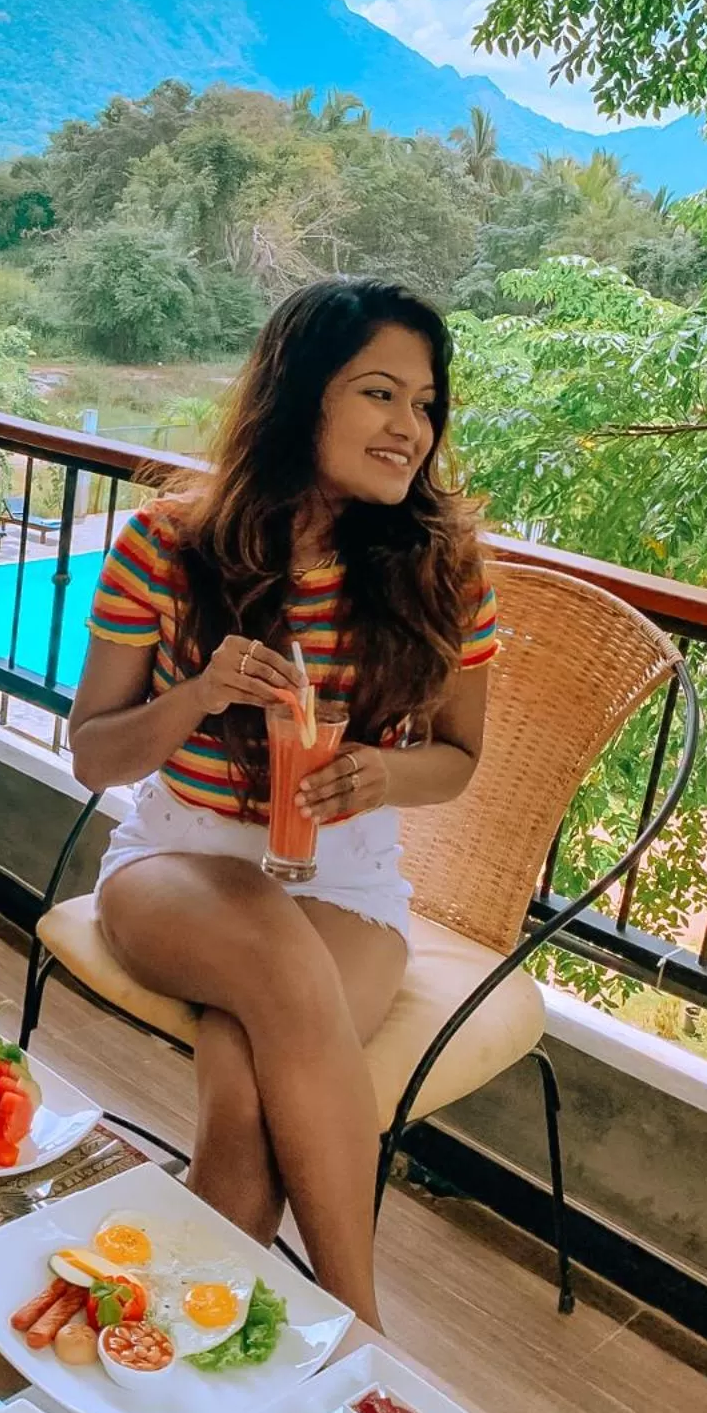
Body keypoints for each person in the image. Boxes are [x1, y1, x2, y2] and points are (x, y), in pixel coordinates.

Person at [68, 277, 498, 1335]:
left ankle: (171, 1372)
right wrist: (202, 692)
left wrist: (380, 773)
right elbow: (93, 755)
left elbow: (457, 759)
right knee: (281, 975)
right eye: (381, 394)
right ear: (301, 396)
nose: (412, 429)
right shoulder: (167, 544)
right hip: (179, 861)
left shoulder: (441, 570)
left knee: (251, 1090)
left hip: (347, 883)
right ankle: (362, 1341)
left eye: (427, 404)